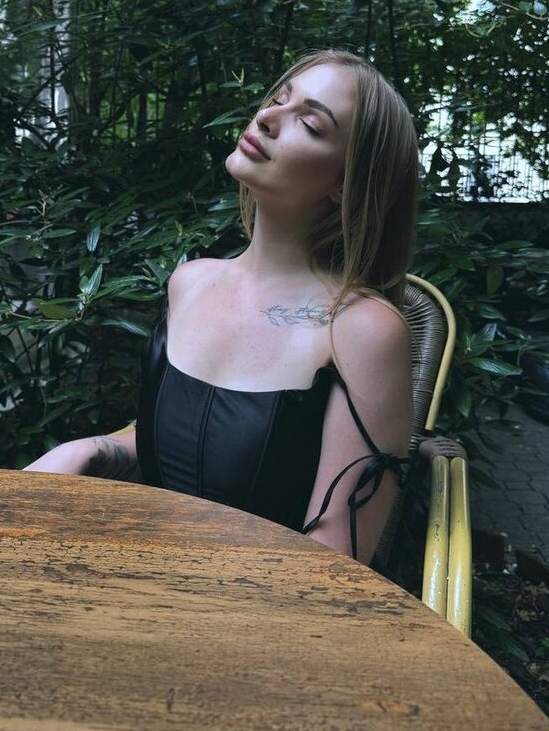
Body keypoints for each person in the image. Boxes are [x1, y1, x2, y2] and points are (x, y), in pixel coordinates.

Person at [26, 48, 418, 572]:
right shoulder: (189, 283)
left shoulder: (363, 331)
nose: (268, 117)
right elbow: (183, 442)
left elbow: (334, 561)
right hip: (130, 567)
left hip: (261, 607)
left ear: (345, 183)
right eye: (278, 99)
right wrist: (88, 449)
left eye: (309, 123)